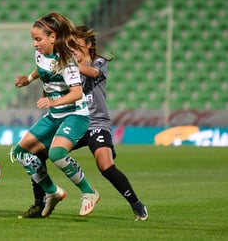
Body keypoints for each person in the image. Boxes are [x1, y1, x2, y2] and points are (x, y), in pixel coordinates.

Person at [15, 25, 148, 221]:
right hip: (71, 119)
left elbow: (93, 73)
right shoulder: (65, 64)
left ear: (89, 45)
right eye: (71, 46)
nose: (73, 49)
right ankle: (40, 203)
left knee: (105, 165)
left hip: (95, 124)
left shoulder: (98, 62)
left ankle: (137, 205)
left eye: (77, 46)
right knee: (36, 153)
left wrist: (67, 64)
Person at [11, 13, 100, 218]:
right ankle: (52, 192)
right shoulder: (41, 53)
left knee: (57, 153)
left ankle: (89, 192)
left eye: (38, 39)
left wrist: (52, 101)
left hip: (75, 114)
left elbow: (77, 93)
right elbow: (41, 68)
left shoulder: (66, 59)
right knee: (21, 153)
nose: (35, 44)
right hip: (55, 115)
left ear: (53, 36)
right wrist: (28, 79)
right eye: (33, 39)